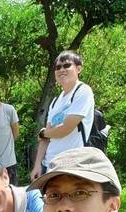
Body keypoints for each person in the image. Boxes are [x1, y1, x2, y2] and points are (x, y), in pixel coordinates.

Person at [31, 50, 95, 181]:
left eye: (67, 65)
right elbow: (45, 139)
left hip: (71, 165)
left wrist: (43, 133)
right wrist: (37, 165)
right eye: (58, 67)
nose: (61, 70)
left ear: (78, 68)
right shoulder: (55, 101)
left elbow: (66, 128)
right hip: (49, 165)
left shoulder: (83, 91)